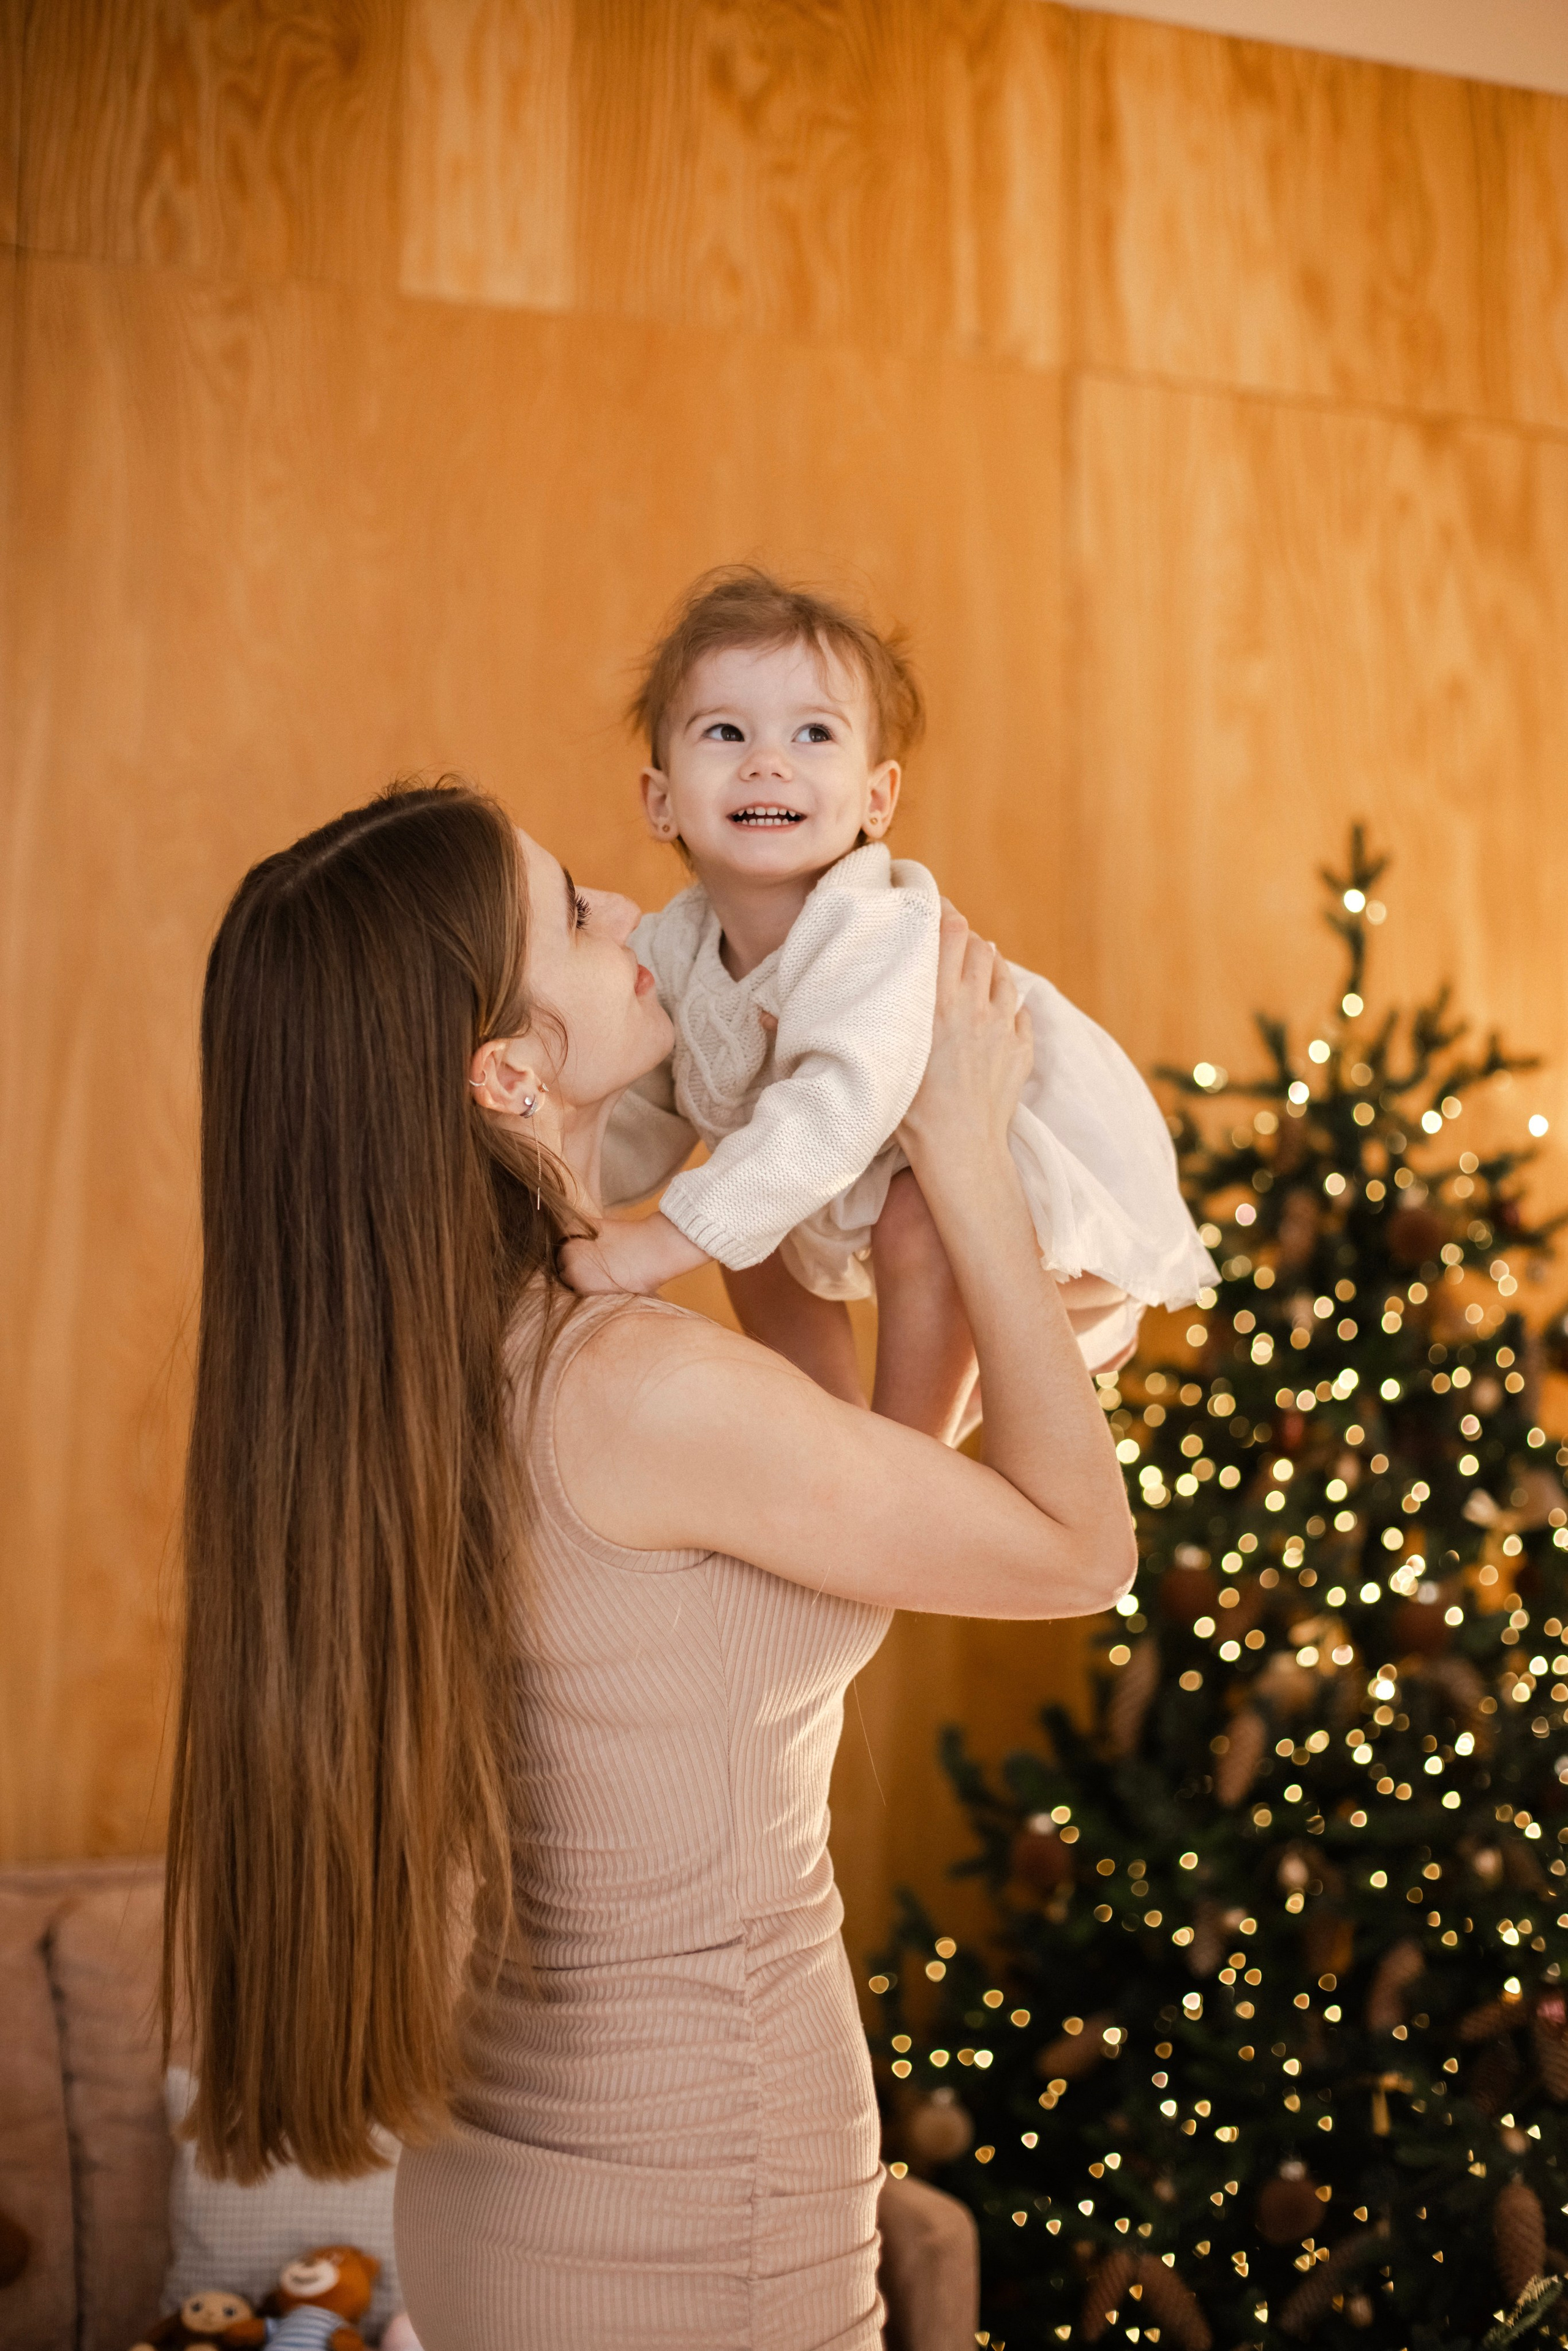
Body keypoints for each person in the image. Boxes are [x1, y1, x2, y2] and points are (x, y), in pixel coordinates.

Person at [164, 780, 1135, 2351]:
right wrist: (961, 1150)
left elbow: (842, 1510)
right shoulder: (632, 1385)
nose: (626, 910)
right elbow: (1080, 1548)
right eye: (568, 912)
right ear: (505, 1070)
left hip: (496, 2200)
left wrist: (805, 1148)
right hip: (695, 2219)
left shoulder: (426, 1371)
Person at [575, 567, 1215, 1428]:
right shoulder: (674, 949)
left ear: (876, 800)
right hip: (869, 1203)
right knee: (741, 1220)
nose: (767, 761)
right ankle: (829, 1431)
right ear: (661, 802)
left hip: (1039, 1209)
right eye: (726, 732)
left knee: (902, 1215)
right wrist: (553, 1203)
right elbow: (632, 1117)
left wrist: (657, 1245)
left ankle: (908, 1459)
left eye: (813, 734)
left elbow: (839, 1106)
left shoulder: (875, 926)